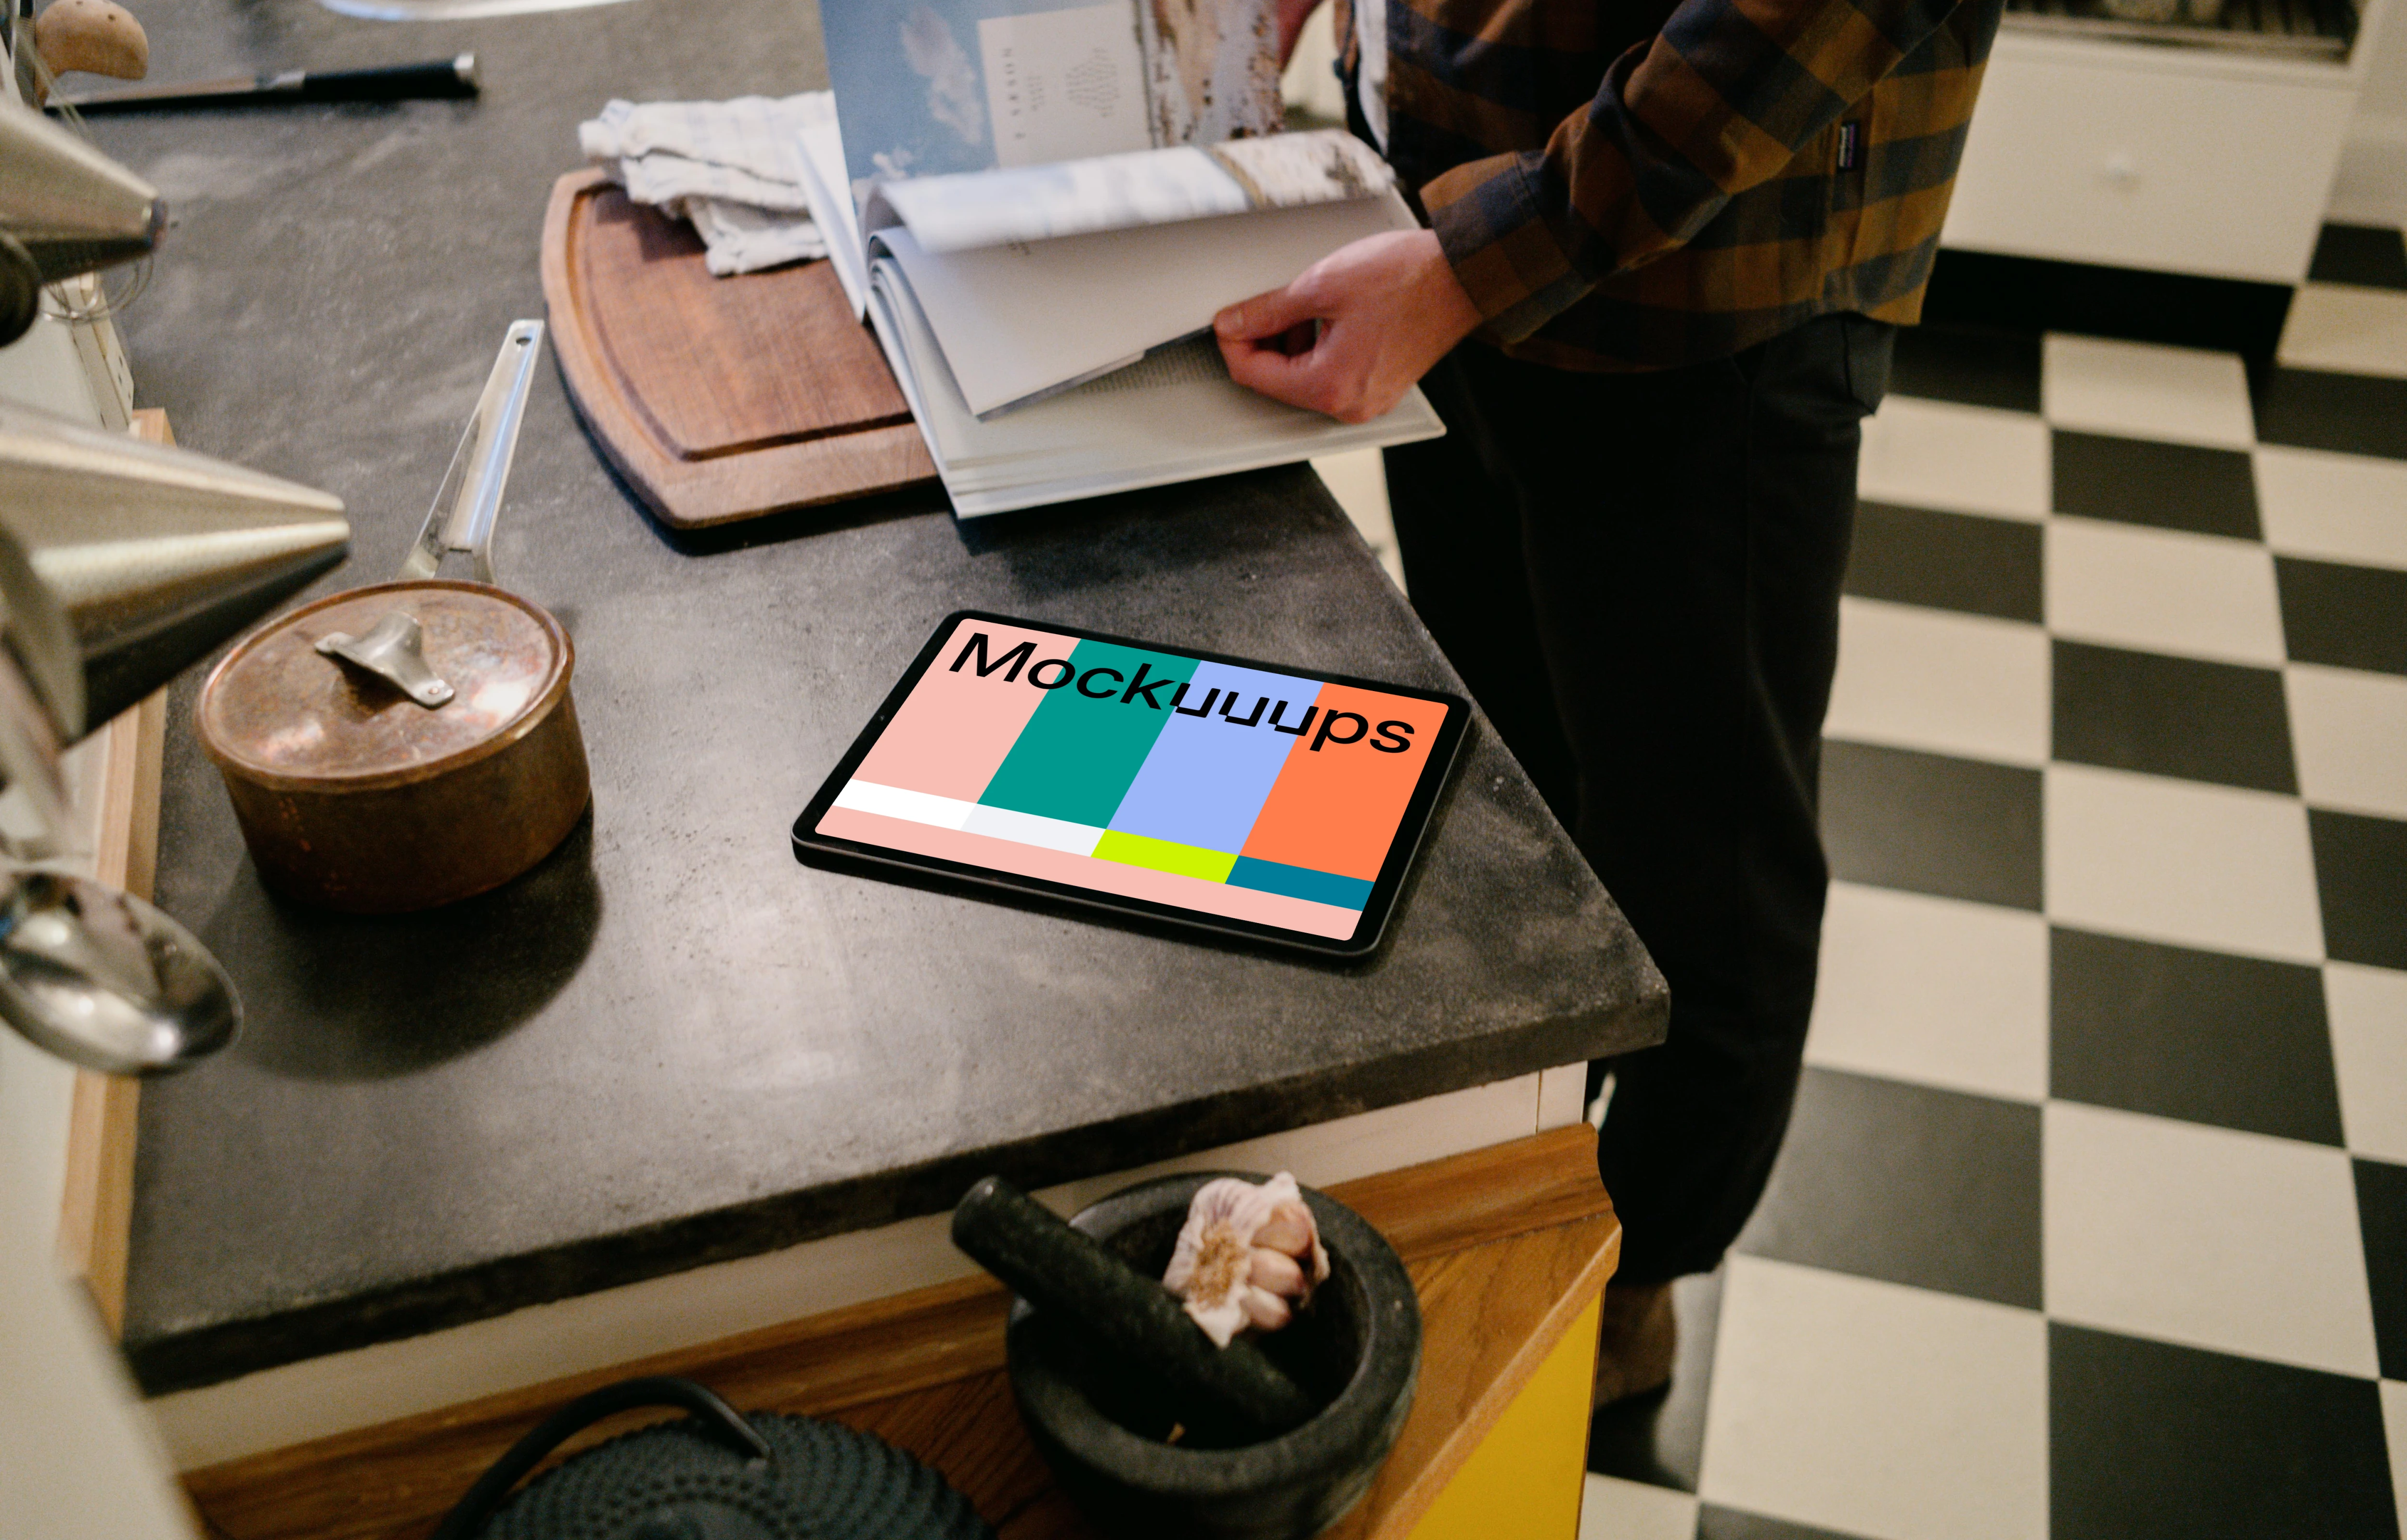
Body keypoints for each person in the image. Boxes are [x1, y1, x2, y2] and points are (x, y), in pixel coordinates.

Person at [1214, 0, 2008, 1404]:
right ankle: (1507, 1180)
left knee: (1706, 884)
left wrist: (1473, 267)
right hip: (1448, 217)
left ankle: (1630, 1275)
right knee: (1502, 812)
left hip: (1707, 304)